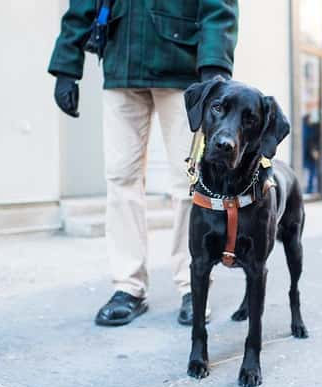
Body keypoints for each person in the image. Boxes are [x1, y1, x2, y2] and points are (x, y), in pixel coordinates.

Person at [48, 1, 238, 326]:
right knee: (120, 179)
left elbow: (218, 5)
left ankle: (194, 285)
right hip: (121, 63)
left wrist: (215, 62)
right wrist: (67, 64)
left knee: (189, 182)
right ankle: (128, 286)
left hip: (183, 67)